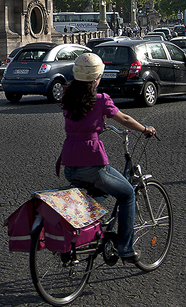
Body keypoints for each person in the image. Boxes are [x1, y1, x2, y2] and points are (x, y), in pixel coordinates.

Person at [57, 53, 156, 262]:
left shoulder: (67, 99)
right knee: (127, 194)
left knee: (95, 196)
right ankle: (126, 248)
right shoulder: (100, 100)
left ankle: (83, 236)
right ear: (96, 78)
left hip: (69, 164)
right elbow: (125, 119)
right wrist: (144, 128)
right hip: (92, 163)